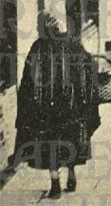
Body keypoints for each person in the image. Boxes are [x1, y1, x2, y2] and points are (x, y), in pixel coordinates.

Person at [10, 14, 101, 199]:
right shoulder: (72, 44)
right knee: (71, 141)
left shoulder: (38, 47)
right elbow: (88, 67)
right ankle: (72, 175)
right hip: (71, 107)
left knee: (51, 146)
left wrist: (28, 105)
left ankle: (55, 185)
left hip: (47, 110)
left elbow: (28, 80)